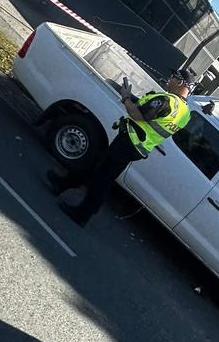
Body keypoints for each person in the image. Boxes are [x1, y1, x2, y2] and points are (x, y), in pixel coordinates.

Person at [47, 69, 192, 226]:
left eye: (172, 77)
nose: (168, 80)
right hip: (139, 146)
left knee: (102, 177)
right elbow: (155, 118)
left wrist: (125, 98)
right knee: (97, 164)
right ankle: (63, 184)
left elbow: (138, 115)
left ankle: (83, 214)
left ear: (179, 82)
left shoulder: (167, 101)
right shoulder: (185, 114)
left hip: (130, 141)